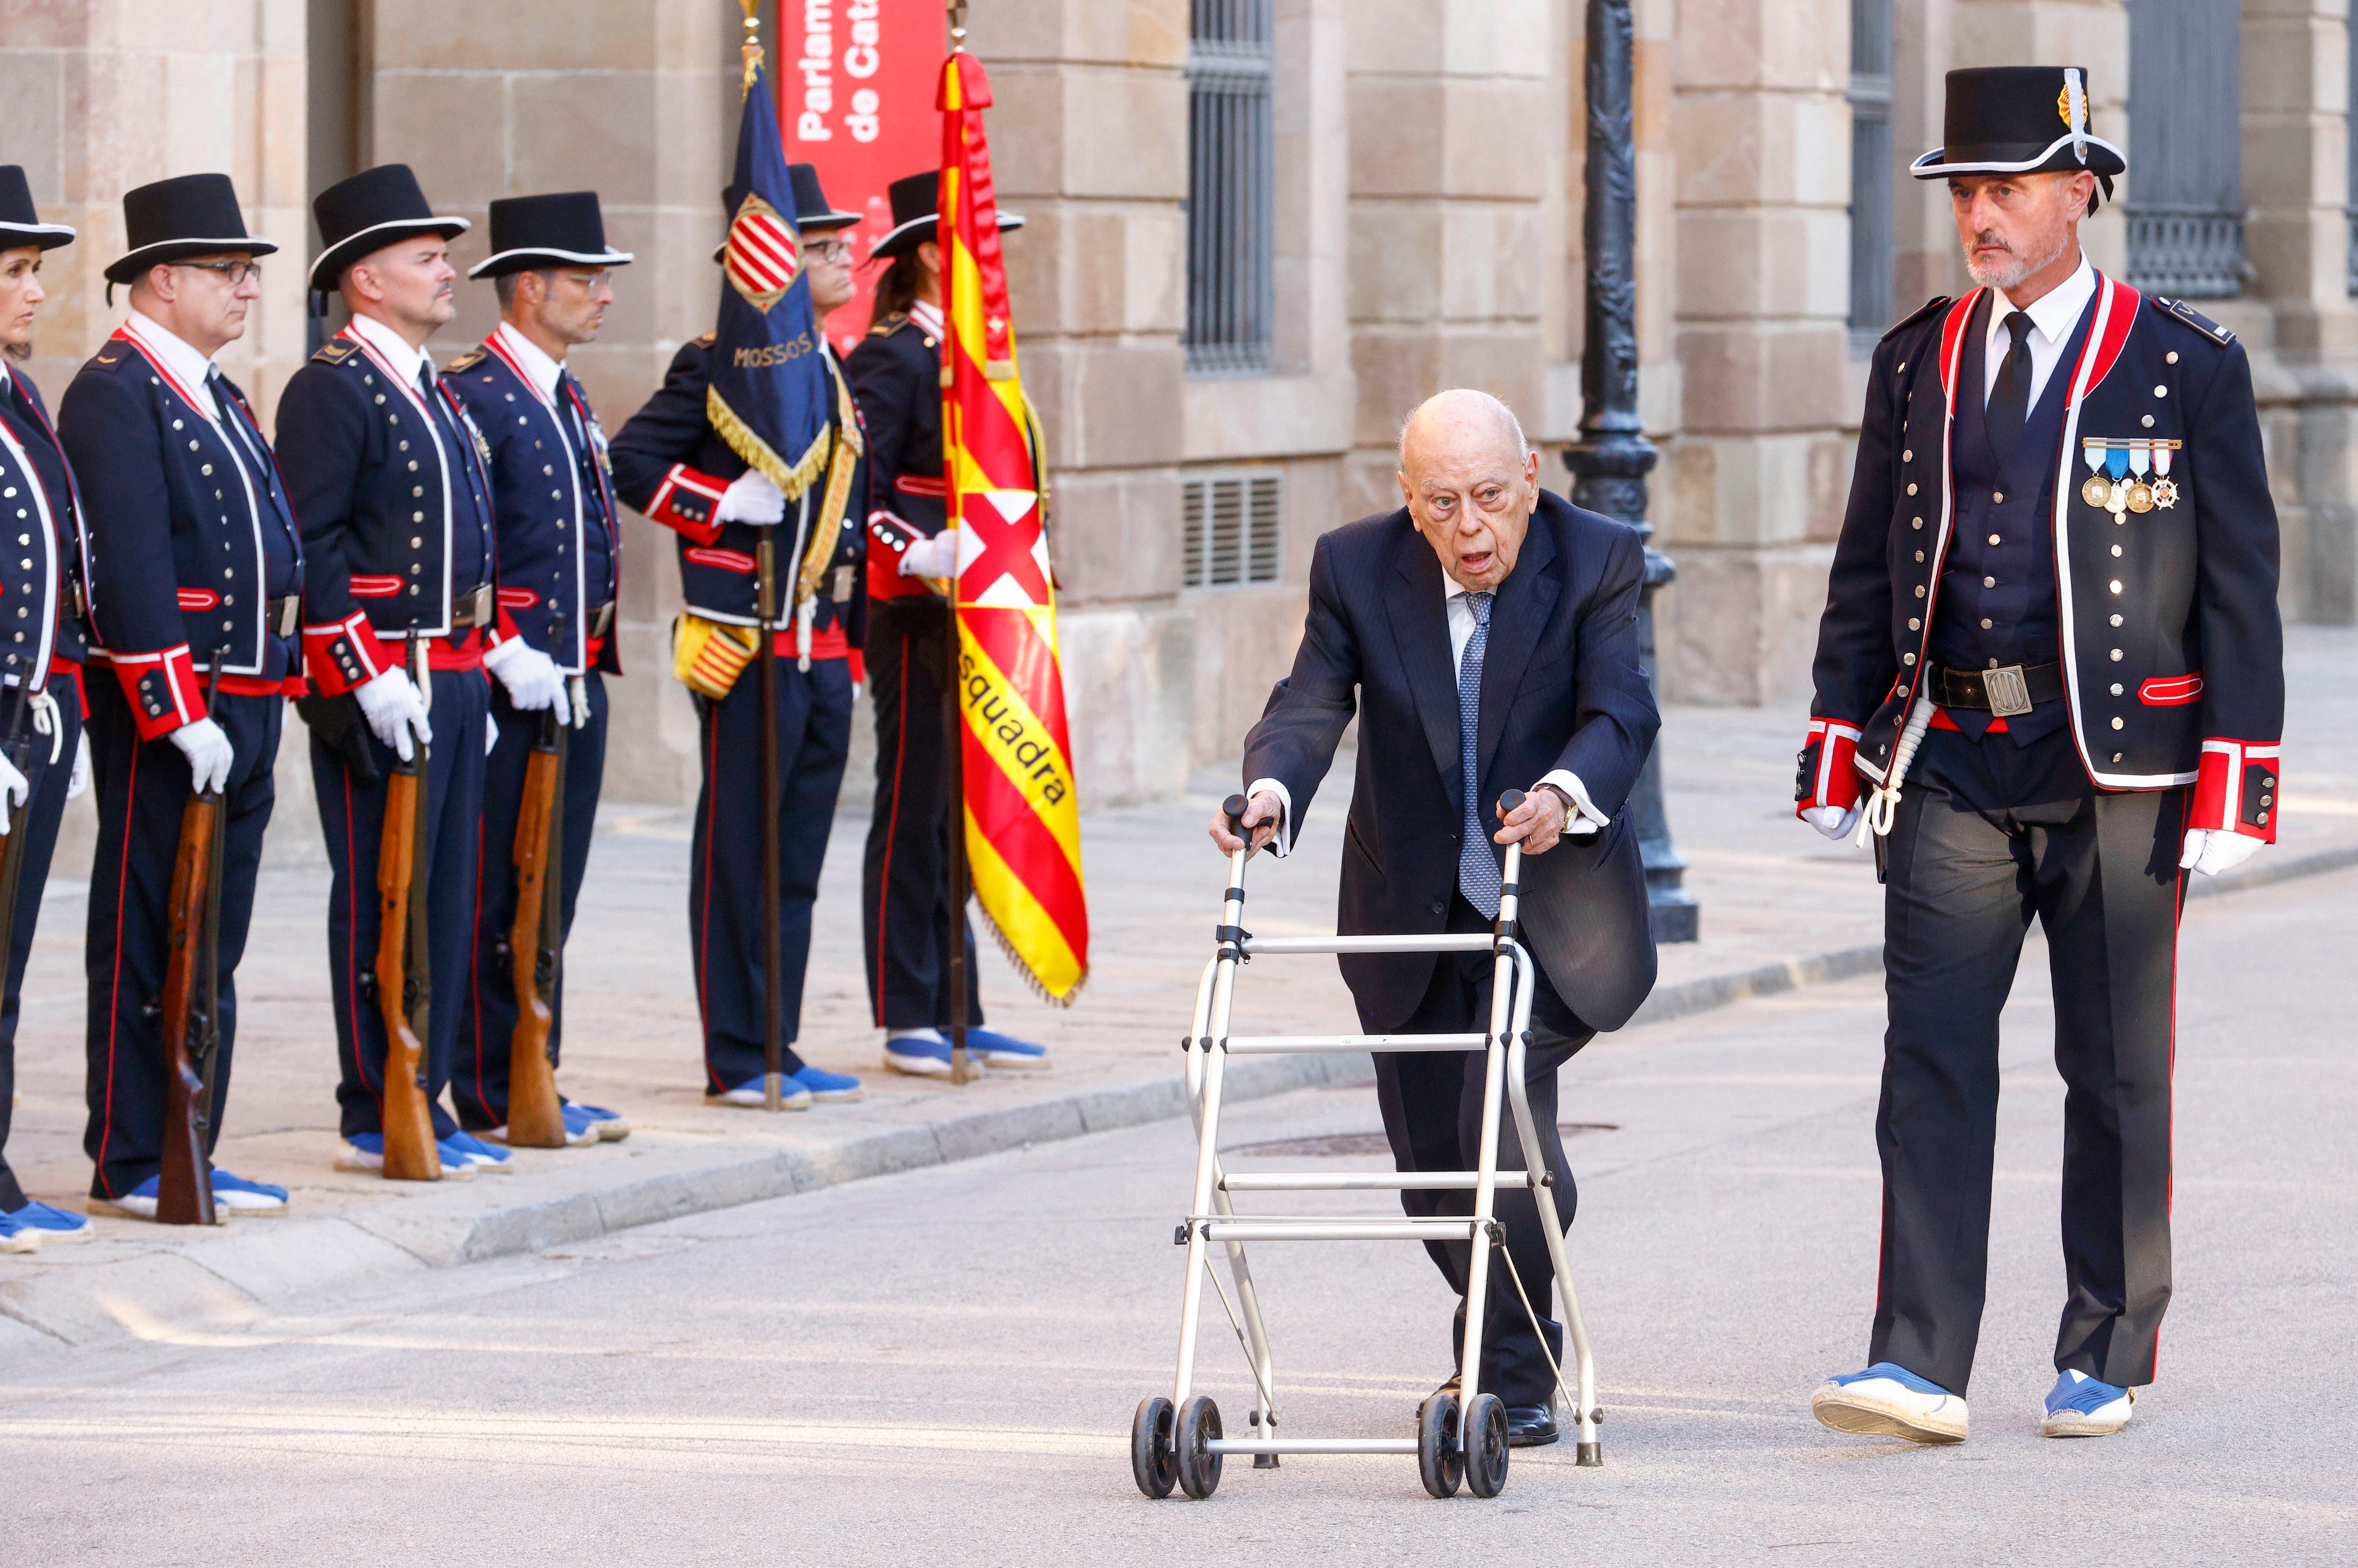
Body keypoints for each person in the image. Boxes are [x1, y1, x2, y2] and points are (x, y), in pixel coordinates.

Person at [1796, 67, 2283, 1444]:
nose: (1980, 216)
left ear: (2080, 192)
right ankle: (1915, 1359)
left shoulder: (2183, 361)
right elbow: (1866, 567)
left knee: (2114, 1067)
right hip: (1952, 751)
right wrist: (1839, 734)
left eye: (2006, 189)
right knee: (1929, 1059)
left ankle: (2105, 1345)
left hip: (2122, 769)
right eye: (1965, 191)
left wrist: (2238, 772)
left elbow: (2240, 585)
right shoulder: (1917, 358)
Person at [1213, 388, 1659, 1448]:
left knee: (1493, 1117)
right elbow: (1310, 701)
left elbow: (1619, 708)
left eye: (1491, 498)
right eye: (1445, 503)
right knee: (1432, 1175)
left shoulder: (1595, 556)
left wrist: (1561, 795)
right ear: (1408, 500)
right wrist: (1269, 793)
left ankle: (1506, 1378)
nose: (1472, 529)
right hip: (1410, 914)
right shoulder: (1356, 566)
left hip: (1554, 912)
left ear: (1531, 481)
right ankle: (1522, 1292)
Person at [276, 164, 531, 1180]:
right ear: (367, 279)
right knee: (383, 896)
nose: (448, 272)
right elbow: (313, 544)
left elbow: (475, 543)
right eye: (427, 258)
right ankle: (375, 1103)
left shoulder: (432, 385)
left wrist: (486, 654)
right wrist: (364, 671)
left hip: (452, 673)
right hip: (384, 681)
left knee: (449, 894)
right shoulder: (333, 386)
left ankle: (427, 1091)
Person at [59, 173, 298, 1220]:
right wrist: (175, 708)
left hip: (243, 694)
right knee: (147, 924)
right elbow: (131, 566)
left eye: (249, 272)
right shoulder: (117, 390)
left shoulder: (215, 391)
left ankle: (191, 1139)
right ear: (163, 279)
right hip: (173, 705)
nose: (248, 289)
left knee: (215, 934)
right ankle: (131, 1152)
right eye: (228, 271)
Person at [607, 163, 867, 1109]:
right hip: (748, 644)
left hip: (820, 646)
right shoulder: (718, 363)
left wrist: (853, 641)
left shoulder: (831, 368)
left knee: (795, 864)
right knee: (739, 857)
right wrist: (719, 502)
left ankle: (778, 1040)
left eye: (842, 244)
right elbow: (631, 460)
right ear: (770, 263)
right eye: (823, 246)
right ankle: (736, 1054)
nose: (843, 259)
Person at [847, 170, 1047, 1076]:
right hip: (918, 612)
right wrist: (920, 549)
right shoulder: (894, 354)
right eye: (979, 240)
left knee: (963, 817)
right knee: (912, 807)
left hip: (987, 614)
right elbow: (861, 490)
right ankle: (907, 1010)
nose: (995, 256)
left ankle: (958, 1004)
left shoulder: (978, 352)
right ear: (933, 252)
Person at [444, 192, 633, 1148]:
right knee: (498, 890)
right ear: (528, 287)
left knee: (554, 890)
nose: (604, 296)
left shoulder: (564, 391)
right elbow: (464, 543)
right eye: (585, 279)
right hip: (512, 678)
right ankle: (488, 1088)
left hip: (574, 673)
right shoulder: (477, 393)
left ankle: (536, 1071)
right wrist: (499, 647)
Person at [0, 166, 93, 1250]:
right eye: (17, 270)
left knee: (8, 959)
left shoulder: (18, 395)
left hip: (30, 719)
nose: (35, 291)